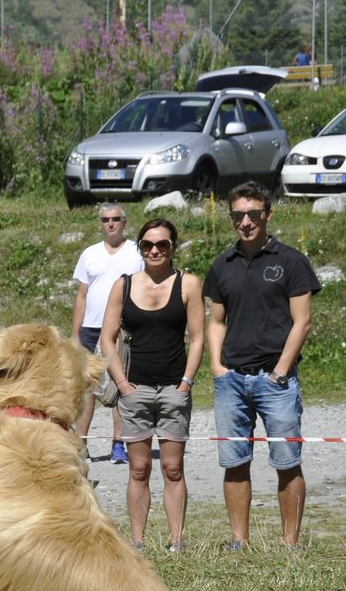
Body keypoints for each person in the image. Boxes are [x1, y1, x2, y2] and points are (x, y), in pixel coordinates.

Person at [205, 181, 321, 551]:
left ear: (267, 215)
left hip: (276, 379)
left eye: (254, 214)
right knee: (234, 461)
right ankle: (239, 540)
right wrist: (217, 367)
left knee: (287, 461)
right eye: (238, 215)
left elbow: (302, 322)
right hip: (232, 381)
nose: (246, 222)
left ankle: (290, 543)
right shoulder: (222, 265)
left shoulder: (290, 261)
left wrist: (281, 371)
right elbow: (216, 321)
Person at [99, 218, 204, 551]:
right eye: (148, 245)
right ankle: (138, 541)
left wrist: (186, 383)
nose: (155, 250)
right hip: (136, 389)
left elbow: (199, 337)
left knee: (173, 468)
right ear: (139, 248)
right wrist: (122, 383)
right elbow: (106, 337)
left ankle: (177, 539)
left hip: (174, 388)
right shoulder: (124, 285)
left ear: (173, 247)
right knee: (139, 468)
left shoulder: (188, 284)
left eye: (162, 244)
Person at [72, 202, 143, 463]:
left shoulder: (137, 251)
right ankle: (81, 444)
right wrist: (75, 333)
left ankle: (119, 444)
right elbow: (82, 295)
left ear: (124, 222)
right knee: (87, 388)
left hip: (122, 327)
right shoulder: (89, 253)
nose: (110, 224)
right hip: (91, 328)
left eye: (115, 219)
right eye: (105, 220)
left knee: (120, 384)